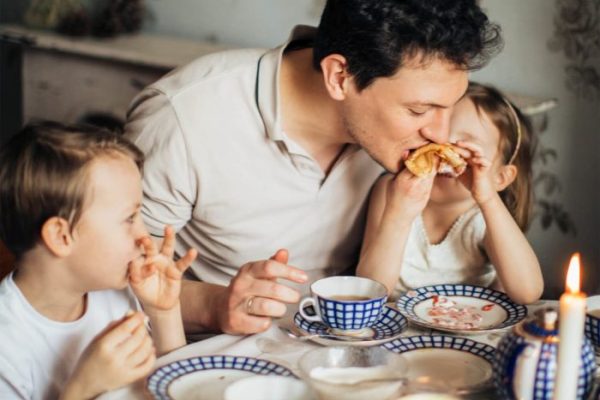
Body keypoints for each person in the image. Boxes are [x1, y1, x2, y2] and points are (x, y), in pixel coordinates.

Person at [124, 0, 503, 335]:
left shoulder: (401, 138)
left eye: (450, 105)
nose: (440, 132)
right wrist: (214, 306)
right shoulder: (184, 117)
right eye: (419, 110)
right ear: (339, 76)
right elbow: (115, 282)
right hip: (223, 355)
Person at [0, 122, 197, 399]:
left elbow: (175, 387)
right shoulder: (7, 344)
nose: (145, 236)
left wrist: (163, 312)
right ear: (61, 236)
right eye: (130, 218)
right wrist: (82, 389)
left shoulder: (115, 291)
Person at [357, 82, 544, 304]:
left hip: (469, 326)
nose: (445, 153)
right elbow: (369, 291)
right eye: (438, 140)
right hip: (400, 327)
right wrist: (399, 215)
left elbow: (528, 292)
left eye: (466, 148)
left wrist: (488, 198)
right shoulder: (392, 192)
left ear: (499, 178)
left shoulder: (485, 217)